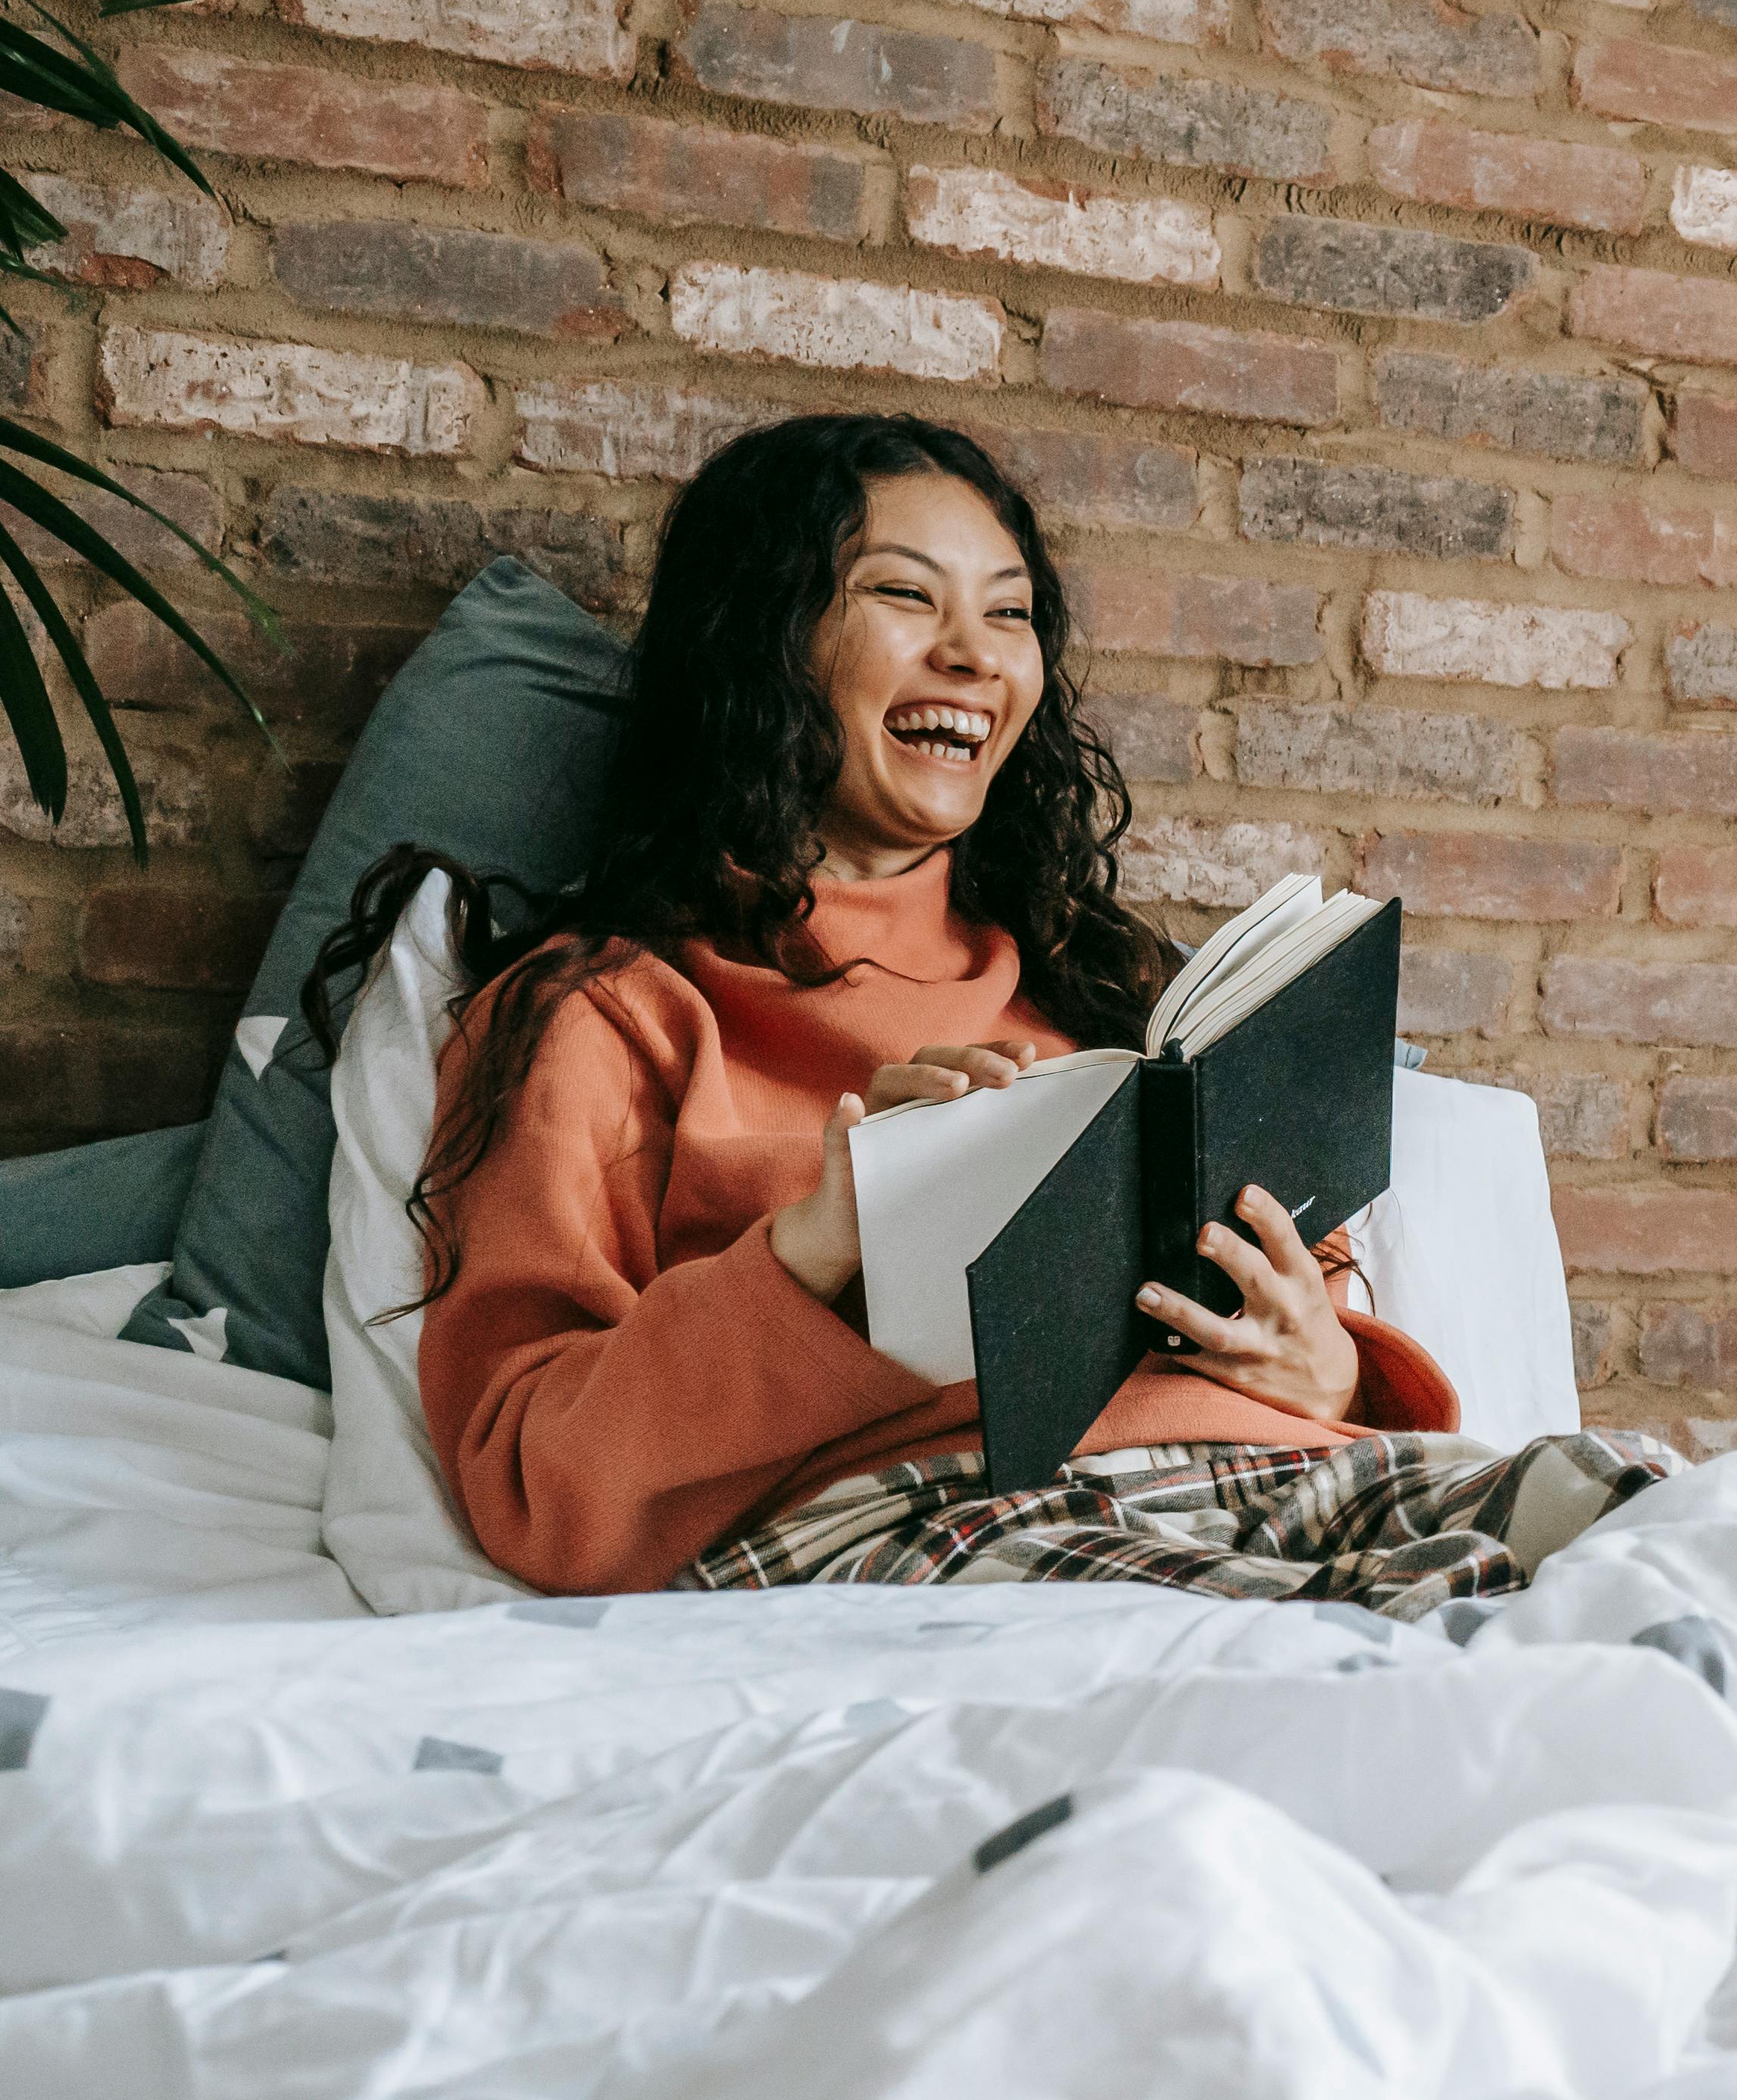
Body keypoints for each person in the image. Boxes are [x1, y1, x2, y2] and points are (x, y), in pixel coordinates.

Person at [339, 414, 1635, 1608]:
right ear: (763, 638)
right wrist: (822, 1244)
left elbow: (1325, 1343)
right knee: (1396, 1647)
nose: (972, 653)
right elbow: (532, 1479)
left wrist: (1328, 1363)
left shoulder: (1107, 987)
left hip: (1287, 1473)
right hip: (937, 1513)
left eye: (1008, 614)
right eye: (905, 595)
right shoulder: (606, 1017)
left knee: (1660, 1533)